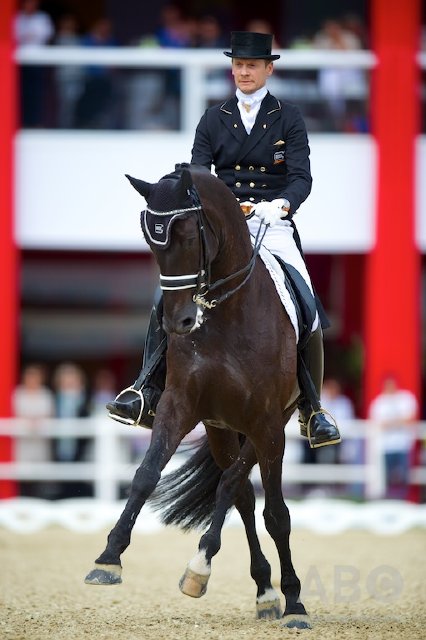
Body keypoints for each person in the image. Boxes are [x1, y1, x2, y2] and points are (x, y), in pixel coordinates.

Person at [107, 31, 341, 449]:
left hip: (274, 223)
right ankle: (144, 390)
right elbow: (198, 177)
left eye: (252, 65)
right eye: (238, 65)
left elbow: (301, 177)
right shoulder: (213, 118)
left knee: (306, 302)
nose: (244, 72)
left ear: (269, 68)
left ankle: (313, 408)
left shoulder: (289, 117)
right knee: (168, 297)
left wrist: (281, 205)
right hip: (224, 224)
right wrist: (222, 210)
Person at [368, 375, 418, 500]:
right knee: (388, 477)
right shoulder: (379, 402)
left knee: (404, 476)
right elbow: (379, 424)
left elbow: (410, 419)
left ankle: (403, 500)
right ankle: (390, 501)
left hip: (403, 444)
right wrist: (399, 422)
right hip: (386, 445)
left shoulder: (406, 398)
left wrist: (391, 423)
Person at [12, 363, 55, 497]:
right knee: (22, 477)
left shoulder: (46, 394)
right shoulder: (18, 394)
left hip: (39, 444)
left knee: (39, 478)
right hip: (22, 445)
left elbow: (49, 414)